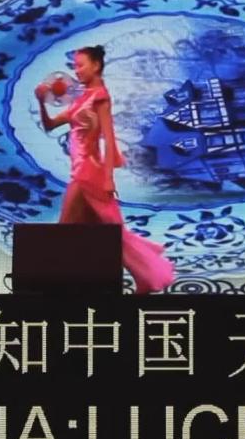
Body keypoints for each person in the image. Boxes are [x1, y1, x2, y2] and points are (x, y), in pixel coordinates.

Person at [34, 45, 175, 294]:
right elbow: (50, 125)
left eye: (81, 65)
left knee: (84, 229)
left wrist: (109, 178)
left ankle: (151, 276)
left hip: (89, 174)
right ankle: (140, 275)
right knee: (102, 231)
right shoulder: (81, 99)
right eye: (75, 66)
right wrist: (41, 102)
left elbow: (109, 140)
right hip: (81, 172)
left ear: (96, 65)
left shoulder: (100, 97)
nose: (76, 71)